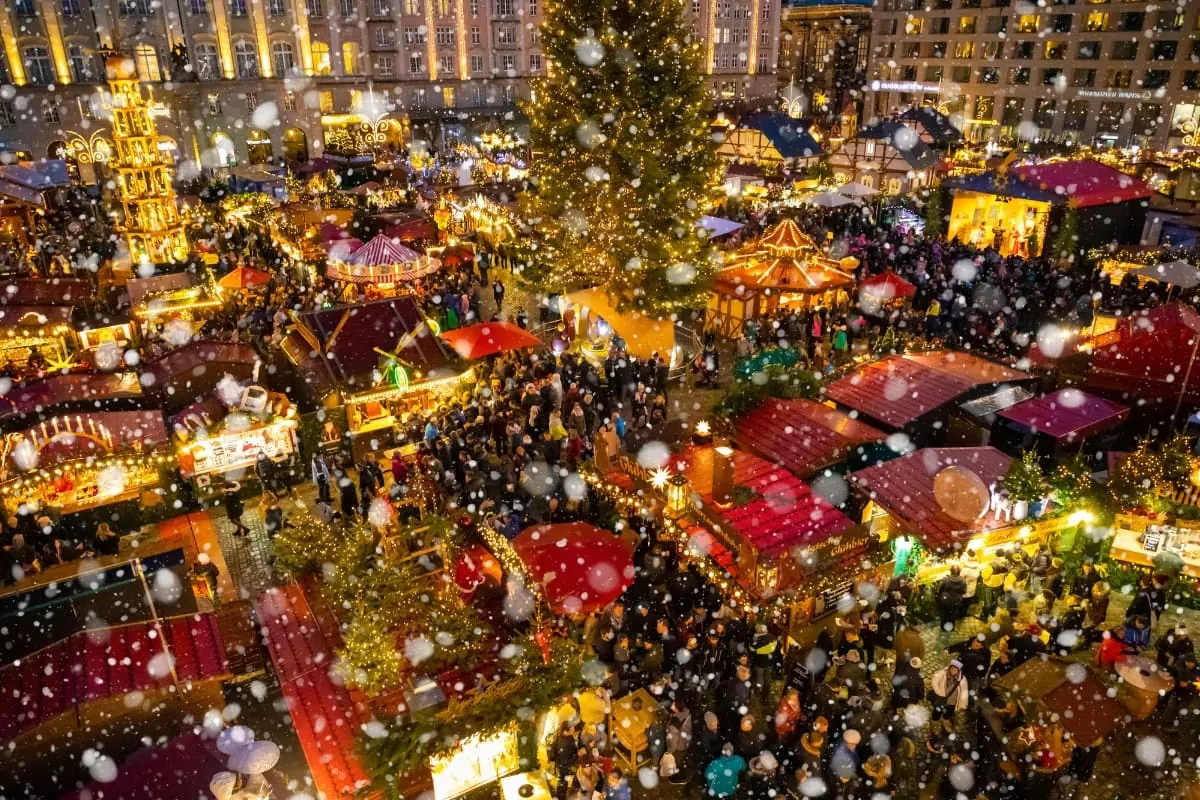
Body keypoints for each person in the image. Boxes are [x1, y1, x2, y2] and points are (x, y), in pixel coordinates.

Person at [929, 660, 969, 733]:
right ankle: (935, 723)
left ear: (959, 671)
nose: (954, 671)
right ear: (949, 668)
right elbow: (934, 680)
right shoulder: (943, 673)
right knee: (937, 713)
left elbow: (964, 693)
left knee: (948, 713)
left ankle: (946, 722)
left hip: (952, 701)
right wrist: (938, 691)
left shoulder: (962, 679)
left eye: (956, 670)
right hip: (941, 699)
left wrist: (963, 704)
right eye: (952, 668)